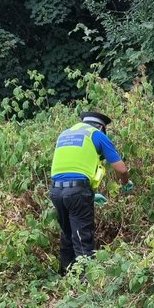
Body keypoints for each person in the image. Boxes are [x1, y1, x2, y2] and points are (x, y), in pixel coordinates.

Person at [49, 110, 132, 274]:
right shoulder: (96, 134)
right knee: (82, 236)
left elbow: (70, 168)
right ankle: (86, 282)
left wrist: (91, 195)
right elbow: (121, 169)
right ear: (101, 127)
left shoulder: (65, 134)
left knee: (67, 235)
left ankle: (66, 276)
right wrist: (125, 183)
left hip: (55, 191)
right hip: (77, 191)